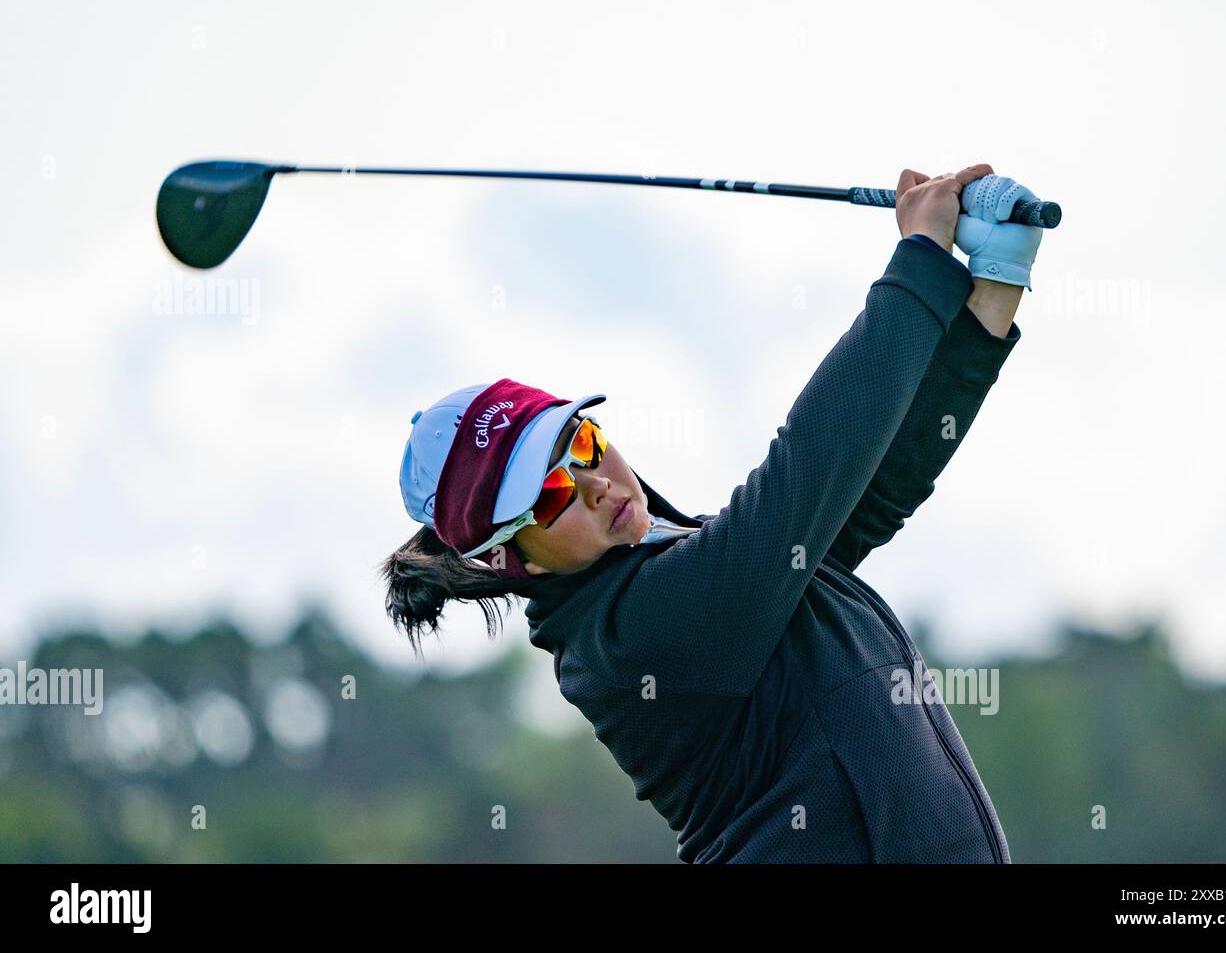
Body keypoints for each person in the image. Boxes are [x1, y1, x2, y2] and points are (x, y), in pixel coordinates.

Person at [382, 164, 1044, 862]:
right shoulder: (629, 639)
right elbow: (809, 470)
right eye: (549, 496)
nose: (597, 485)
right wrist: (918, 265)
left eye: (582, 443)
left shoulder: (698, 570)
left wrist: (994, 285)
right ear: (503, 558)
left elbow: (872, 487)